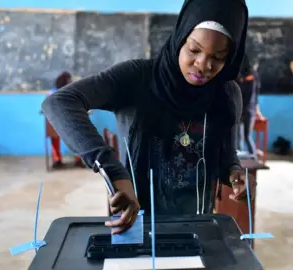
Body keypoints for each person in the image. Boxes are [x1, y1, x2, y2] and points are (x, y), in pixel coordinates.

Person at [42, 0, 255, 234]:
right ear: (180, 38)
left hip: (197, 227)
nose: (203, 65)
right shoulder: (136, 78)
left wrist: (235, 174)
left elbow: (226, 156)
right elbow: (60, 102)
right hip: (135, 226)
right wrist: (112, 169)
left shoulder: (226, 94)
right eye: (194, 50)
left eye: (218, 57)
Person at [48, 71, 84, 168]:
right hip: (69, 119)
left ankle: (57, 160)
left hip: (55, 120)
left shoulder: (52, 92)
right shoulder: (69, 90)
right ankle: (78, 159)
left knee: (55, 137)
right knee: (76, 137)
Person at [236, 56, 263, 157]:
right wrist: (257, 110)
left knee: (240, 137)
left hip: (240, 110)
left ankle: (239, 162)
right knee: (247, 137)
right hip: (250, 110)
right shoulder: (255, 76)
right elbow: (256, 95)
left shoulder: (239, 76)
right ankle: (253, 159)